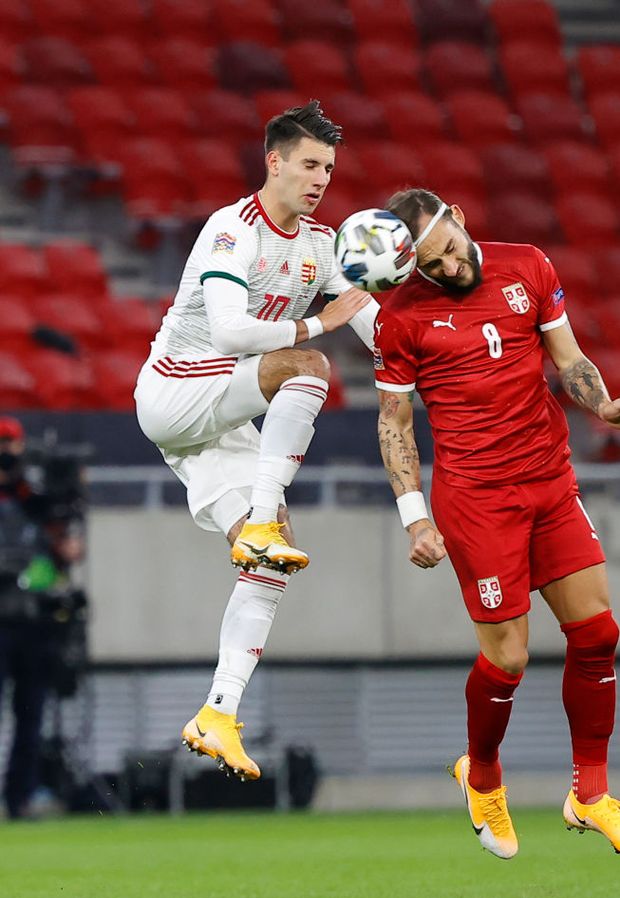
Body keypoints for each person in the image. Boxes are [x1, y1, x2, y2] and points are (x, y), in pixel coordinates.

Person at [373, 188, 620, 858]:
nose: (450, 268)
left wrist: (605, 406)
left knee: (598, 633)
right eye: (432, 265)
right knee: (508, 657)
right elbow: (394, 424)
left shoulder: (528, 265)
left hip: (549, 478)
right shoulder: (400, 317)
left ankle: (590, 793)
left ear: (458, 218)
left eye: (450, 251)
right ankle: (481, 775)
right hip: (478, 500)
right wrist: (415, 519)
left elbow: (569, 359)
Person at [135, 101, 377, 782]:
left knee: (272, 560)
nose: (321, 178)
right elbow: (232, 332)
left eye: (329, 168)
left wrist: (437, 358)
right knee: (309, 366)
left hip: (218, 418)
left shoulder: (321, 245)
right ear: (274, 161)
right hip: (175, 390)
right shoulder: (231, 230)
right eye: (310, 164)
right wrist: (317, 324)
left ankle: (217, 713)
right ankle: (263, 517)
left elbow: (374, 327)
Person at [0, 417, 86, 818]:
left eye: (9, 444)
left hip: (36, 622)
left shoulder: (37, 495)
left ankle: (19, 798)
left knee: (31, 716)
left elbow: (67, 550)